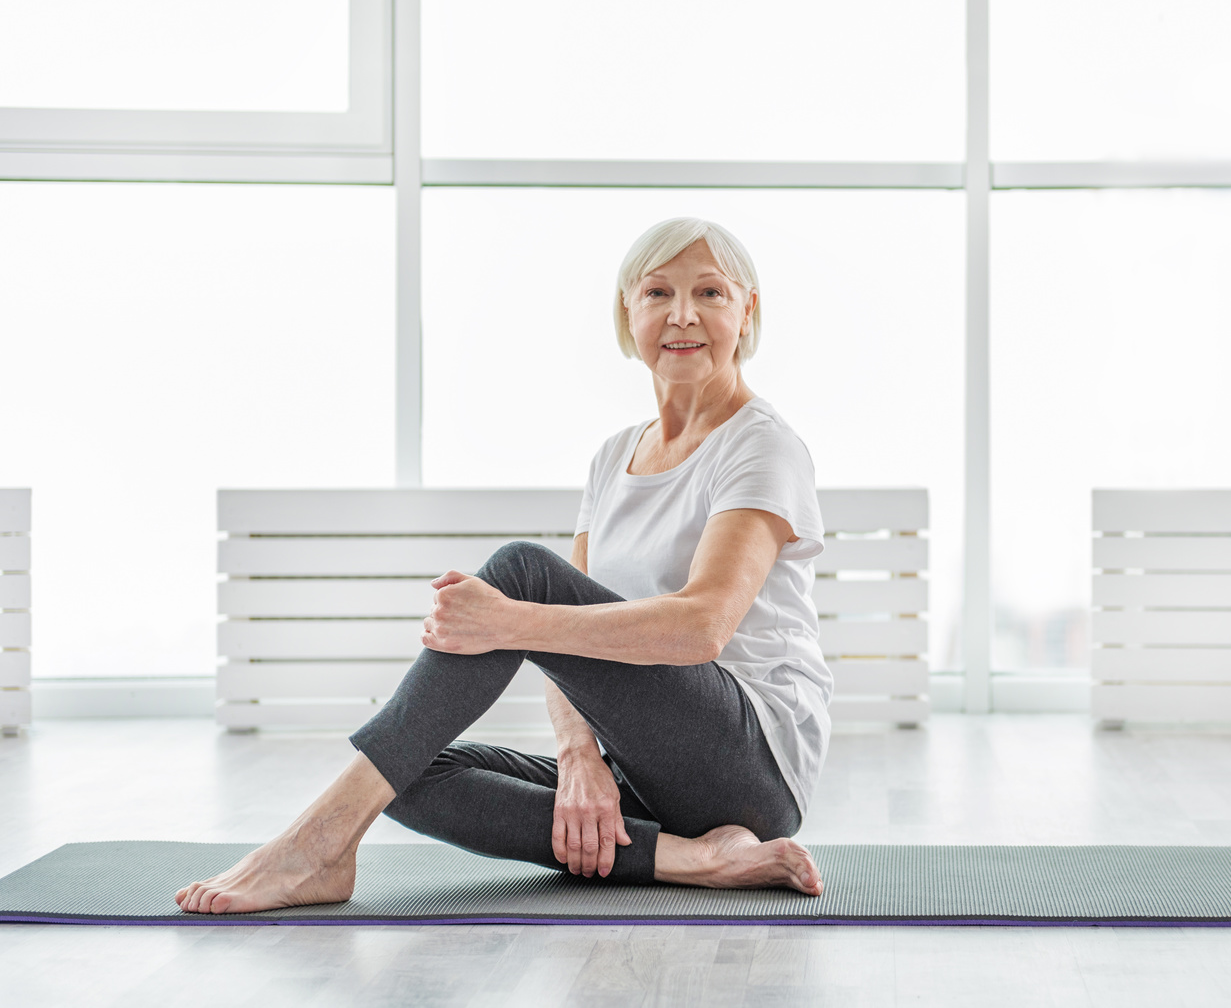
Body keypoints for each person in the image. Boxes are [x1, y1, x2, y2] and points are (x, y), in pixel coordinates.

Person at [176, 217, 833, 914]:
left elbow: (699, 629)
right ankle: (692, 858)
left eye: (709, 293)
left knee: (520, 573)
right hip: (640, 771)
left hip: (748, 764)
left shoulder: (761, 447)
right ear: (626, 312)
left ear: (746, 310)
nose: (682, 315)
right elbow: (569, 648)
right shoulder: (614, 457)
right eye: (656, 293)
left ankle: (318, 841)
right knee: (412, 767)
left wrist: (512, 619)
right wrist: (579, 755)